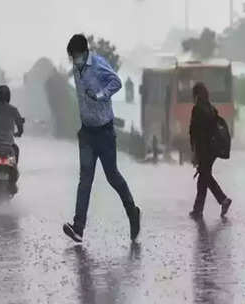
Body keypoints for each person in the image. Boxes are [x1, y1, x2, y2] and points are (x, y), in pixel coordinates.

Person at [62, 34, 141, 243]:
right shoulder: (76, 69)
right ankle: (78, 227)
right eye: (71, 57)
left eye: (76, 56)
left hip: (104, 132)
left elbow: (117, 82)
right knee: (85, 180)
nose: (74, 60)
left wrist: (100, 95)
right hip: (87, 132)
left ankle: (133, 213)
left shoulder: (98, 65)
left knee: (112, 176)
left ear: (85, 52)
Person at [189, 82, 232, 218]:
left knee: (205, 177)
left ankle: (222, 200)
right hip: (213, 149)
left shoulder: (197, 109)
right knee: (204, 178)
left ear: (196, 95)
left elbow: (196, 133)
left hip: (204, 149)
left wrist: (196, 153)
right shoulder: (211, 108)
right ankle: (198, 209)